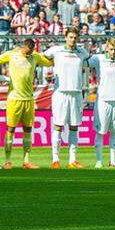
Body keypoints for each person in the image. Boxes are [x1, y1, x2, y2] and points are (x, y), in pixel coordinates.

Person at [0, 38, 54, 169]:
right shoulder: (12, 54)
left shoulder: (35, 56)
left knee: (28, 130)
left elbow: (49, 63)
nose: (28, 54)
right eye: (27, 52)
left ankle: (26, 161)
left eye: (31, 52)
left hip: (29, 100)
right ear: (23, 47)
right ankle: (8, 161)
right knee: (10, 129)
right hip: (14, 99)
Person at [43, 27, 90, 169]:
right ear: (65, 37)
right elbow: (42, 57)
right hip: (61, 92)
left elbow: (88, 59)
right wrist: (48, 71)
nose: (73, 40)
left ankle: (72, 159)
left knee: (74, 126)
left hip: (76, 93)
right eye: (70, 37)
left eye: (75, 37)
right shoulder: (56, 50)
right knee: (58, 125)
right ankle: (55, 158)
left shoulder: (82, 52)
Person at [87, 38, 115, 168]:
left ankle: (113, 160)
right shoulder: (98, 59)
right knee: (101, 131)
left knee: (114, 131)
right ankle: (99, 160)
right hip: (103, 100)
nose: (113, 52)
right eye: (111, 49)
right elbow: (85, 62)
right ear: (106, 48)